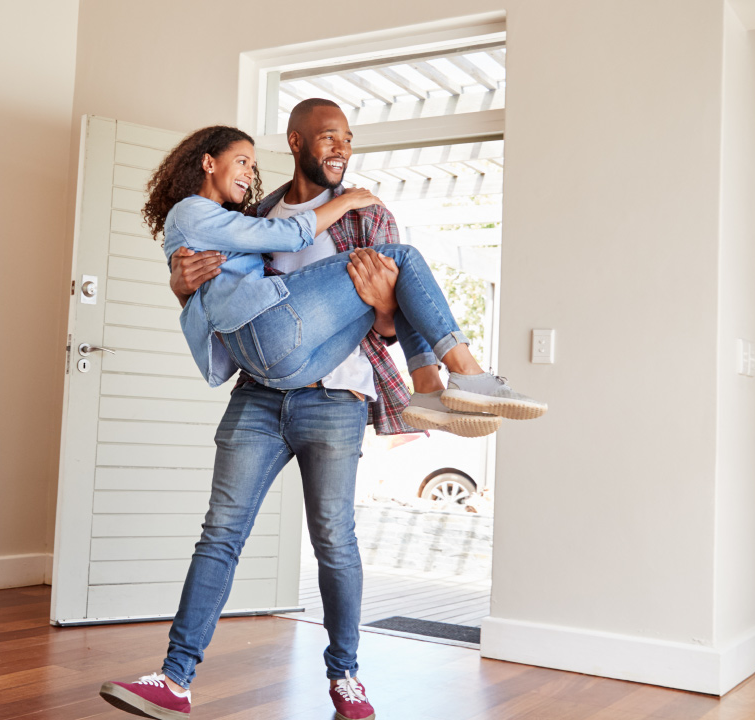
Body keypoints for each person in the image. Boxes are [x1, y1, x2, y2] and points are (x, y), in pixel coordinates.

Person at [98, 100, 543, 720]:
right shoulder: (254, 213)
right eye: (329, 137)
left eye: (348, 140)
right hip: (259, 394)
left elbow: (388, 322)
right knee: (220, 534)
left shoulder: (370, 213)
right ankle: (174, 679)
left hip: (335, 398)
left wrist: (383, 306)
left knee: (335, 542)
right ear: (299, 141)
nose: (341, 149)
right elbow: (220, 293)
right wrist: (183, 285)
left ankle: (346, 678)